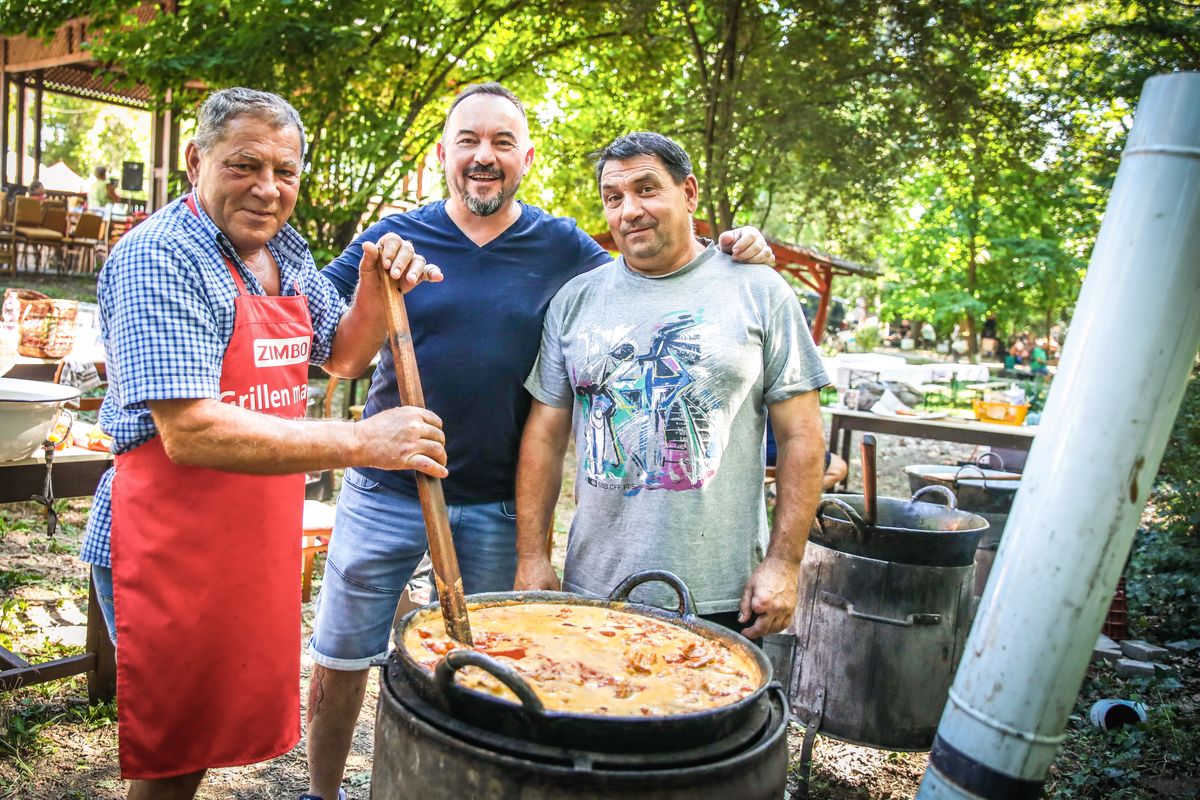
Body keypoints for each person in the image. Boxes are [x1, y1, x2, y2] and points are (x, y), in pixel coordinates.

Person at [304, 82, 774, 800]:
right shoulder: (394, 236)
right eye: (468, 141)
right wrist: (370, 278)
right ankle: (323, 792)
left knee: (498, 674)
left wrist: (730, 255)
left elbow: (651, 278)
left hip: (498, 506)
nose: (483, 157)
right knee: (341, 655)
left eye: (501, 143)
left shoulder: (565, 249)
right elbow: (330, 351)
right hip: (386, 490)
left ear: (528, 156)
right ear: (443, 155)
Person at [77, 88, 449, 800]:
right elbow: (189, 432)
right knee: (174, 754)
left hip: (248, 537)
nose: (267, 189)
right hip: (168, 542)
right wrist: (363, 439)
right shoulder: (159, 256)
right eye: (244, 166)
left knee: (208, 737)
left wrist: (373, 285)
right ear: (196, 161)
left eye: (285, 172)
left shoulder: (282, 247)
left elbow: (340, 355)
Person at [512, 131, 828, 642]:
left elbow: (803, 436)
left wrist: (785, 563)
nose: (629, 210)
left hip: (725, 596)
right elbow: (544, 437)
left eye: (647, 188)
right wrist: (532, 558)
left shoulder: (759, 290)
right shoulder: (575, 301)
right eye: (614, 197)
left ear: (689, 193)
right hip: (594, 589)